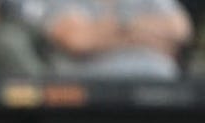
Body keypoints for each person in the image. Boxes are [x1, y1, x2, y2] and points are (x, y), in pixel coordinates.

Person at [13, 0, 193, 80]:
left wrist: (108, 32)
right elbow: (78, 40)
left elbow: (180, 30)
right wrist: (134, 29)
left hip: (158, 97)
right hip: (86, 98)